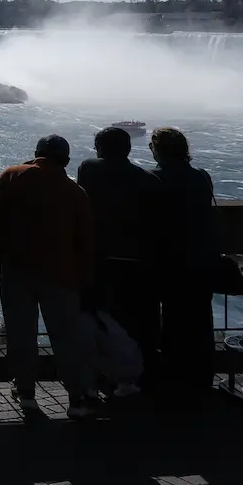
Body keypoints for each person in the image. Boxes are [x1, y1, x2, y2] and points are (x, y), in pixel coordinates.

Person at [0, 135, 98, 419]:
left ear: (36, 153)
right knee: (66, 336)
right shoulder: (75, 192)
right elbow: (85, 238)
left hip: (16, 267)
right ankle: (76, 397)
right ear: (66, 161)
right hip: (61, 272)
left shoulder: (13, 175)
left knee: (21, 333)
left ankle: (26, 394)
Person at [77, 127, 157, 392]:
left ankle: (101, 376)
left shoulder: (89, 168)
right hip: (136, 261)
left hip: (98, 259)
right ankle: (135, 376)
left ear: (99, 147)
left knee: (97, 318)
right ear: (128, 148)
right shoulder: (147, 179)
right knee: (132, 320)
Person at [143, 127, 218, 410]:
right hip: (199, 258)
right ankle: (200, 377)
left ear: (158, 150)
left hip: (166, 259)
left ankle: (171, 377)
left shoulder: (152, 179)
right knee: (199, 319)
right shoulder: (201, 177)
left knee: (167, 320)